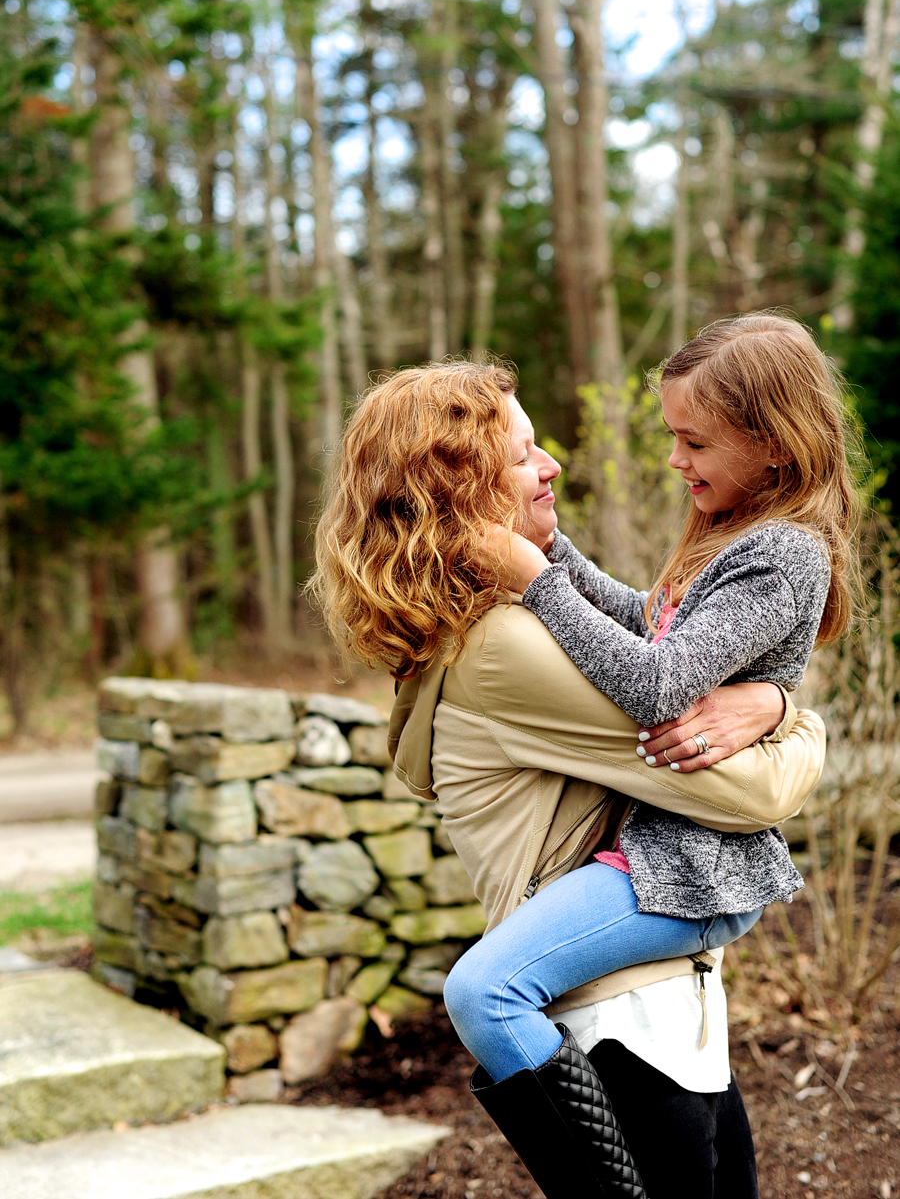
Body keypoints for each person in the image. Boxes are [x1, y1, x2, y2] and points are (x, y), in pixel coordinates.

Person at [311, 358, 828, 1198]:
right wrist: (795, 715)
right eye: (522, 454)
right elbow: (749, 792)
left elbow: (639, 640)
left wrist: (765, 695)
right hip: (621, 1022)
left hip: (659, 993)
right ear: (461, 488)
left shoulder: (492, 623)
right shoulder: (507, 644)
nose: (552, 465)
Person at [440, 315, 858, 1129]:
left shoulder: (783, 552)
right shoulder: (733, 530)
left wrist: (536, 582)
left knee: (485, 990)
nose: (676, 460)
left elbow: (659, 681)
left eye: (694, 442)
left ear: (773, 442)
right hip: (663, 851)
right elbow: (648, 620)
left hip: (696, 865)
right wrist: (556, 552)